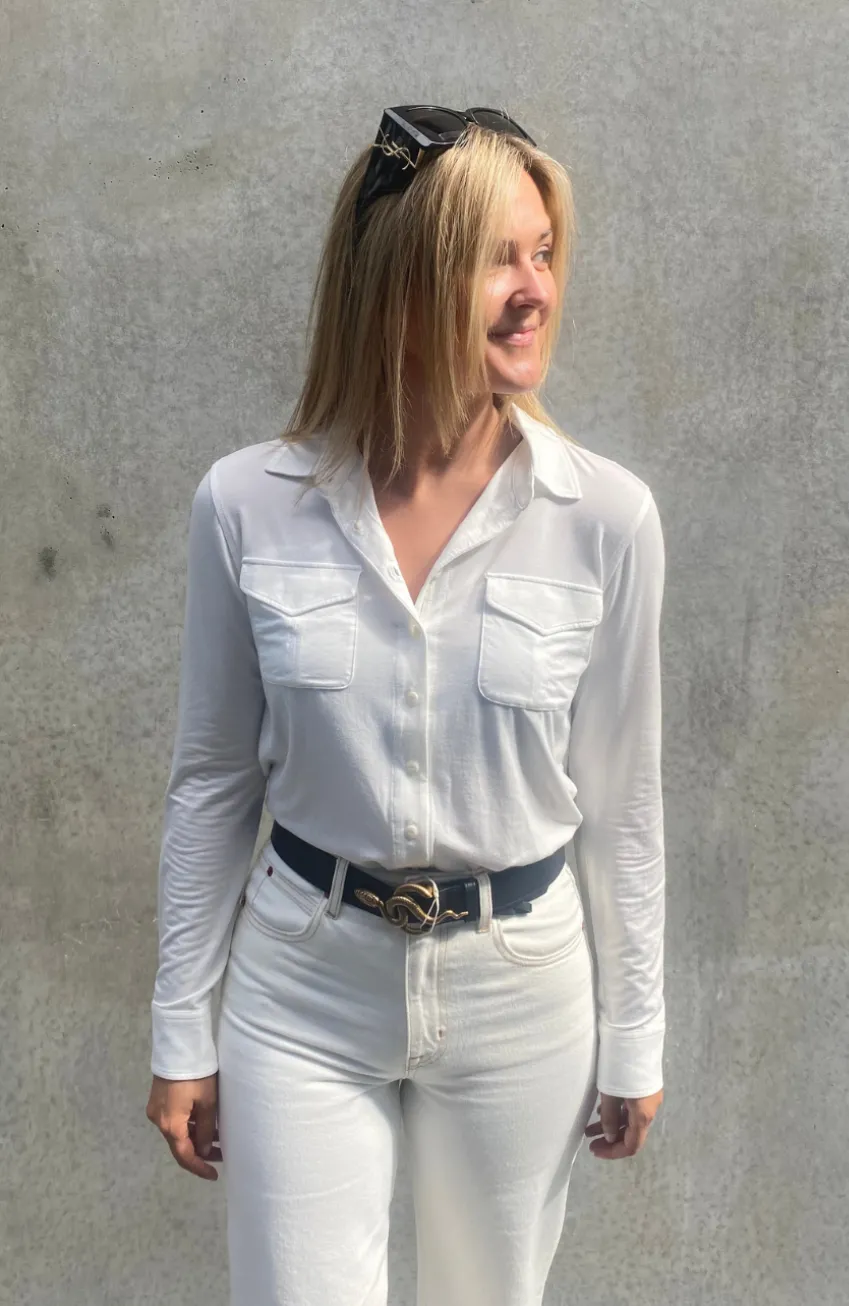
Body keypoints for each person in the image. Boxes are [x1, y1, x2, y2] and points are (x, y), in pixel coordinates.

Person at [145, 105, 666, 1306]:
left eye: (544, 253)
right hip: (302, 985)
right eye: (496, 259)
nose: (535, 291)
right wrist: (180, 1025)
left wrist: (636, 1032)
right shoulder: (247, 506)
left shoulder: (606, 519)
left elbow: (625, 801)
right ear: (401, 281)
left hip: (521, 993)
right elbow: (213, 780)